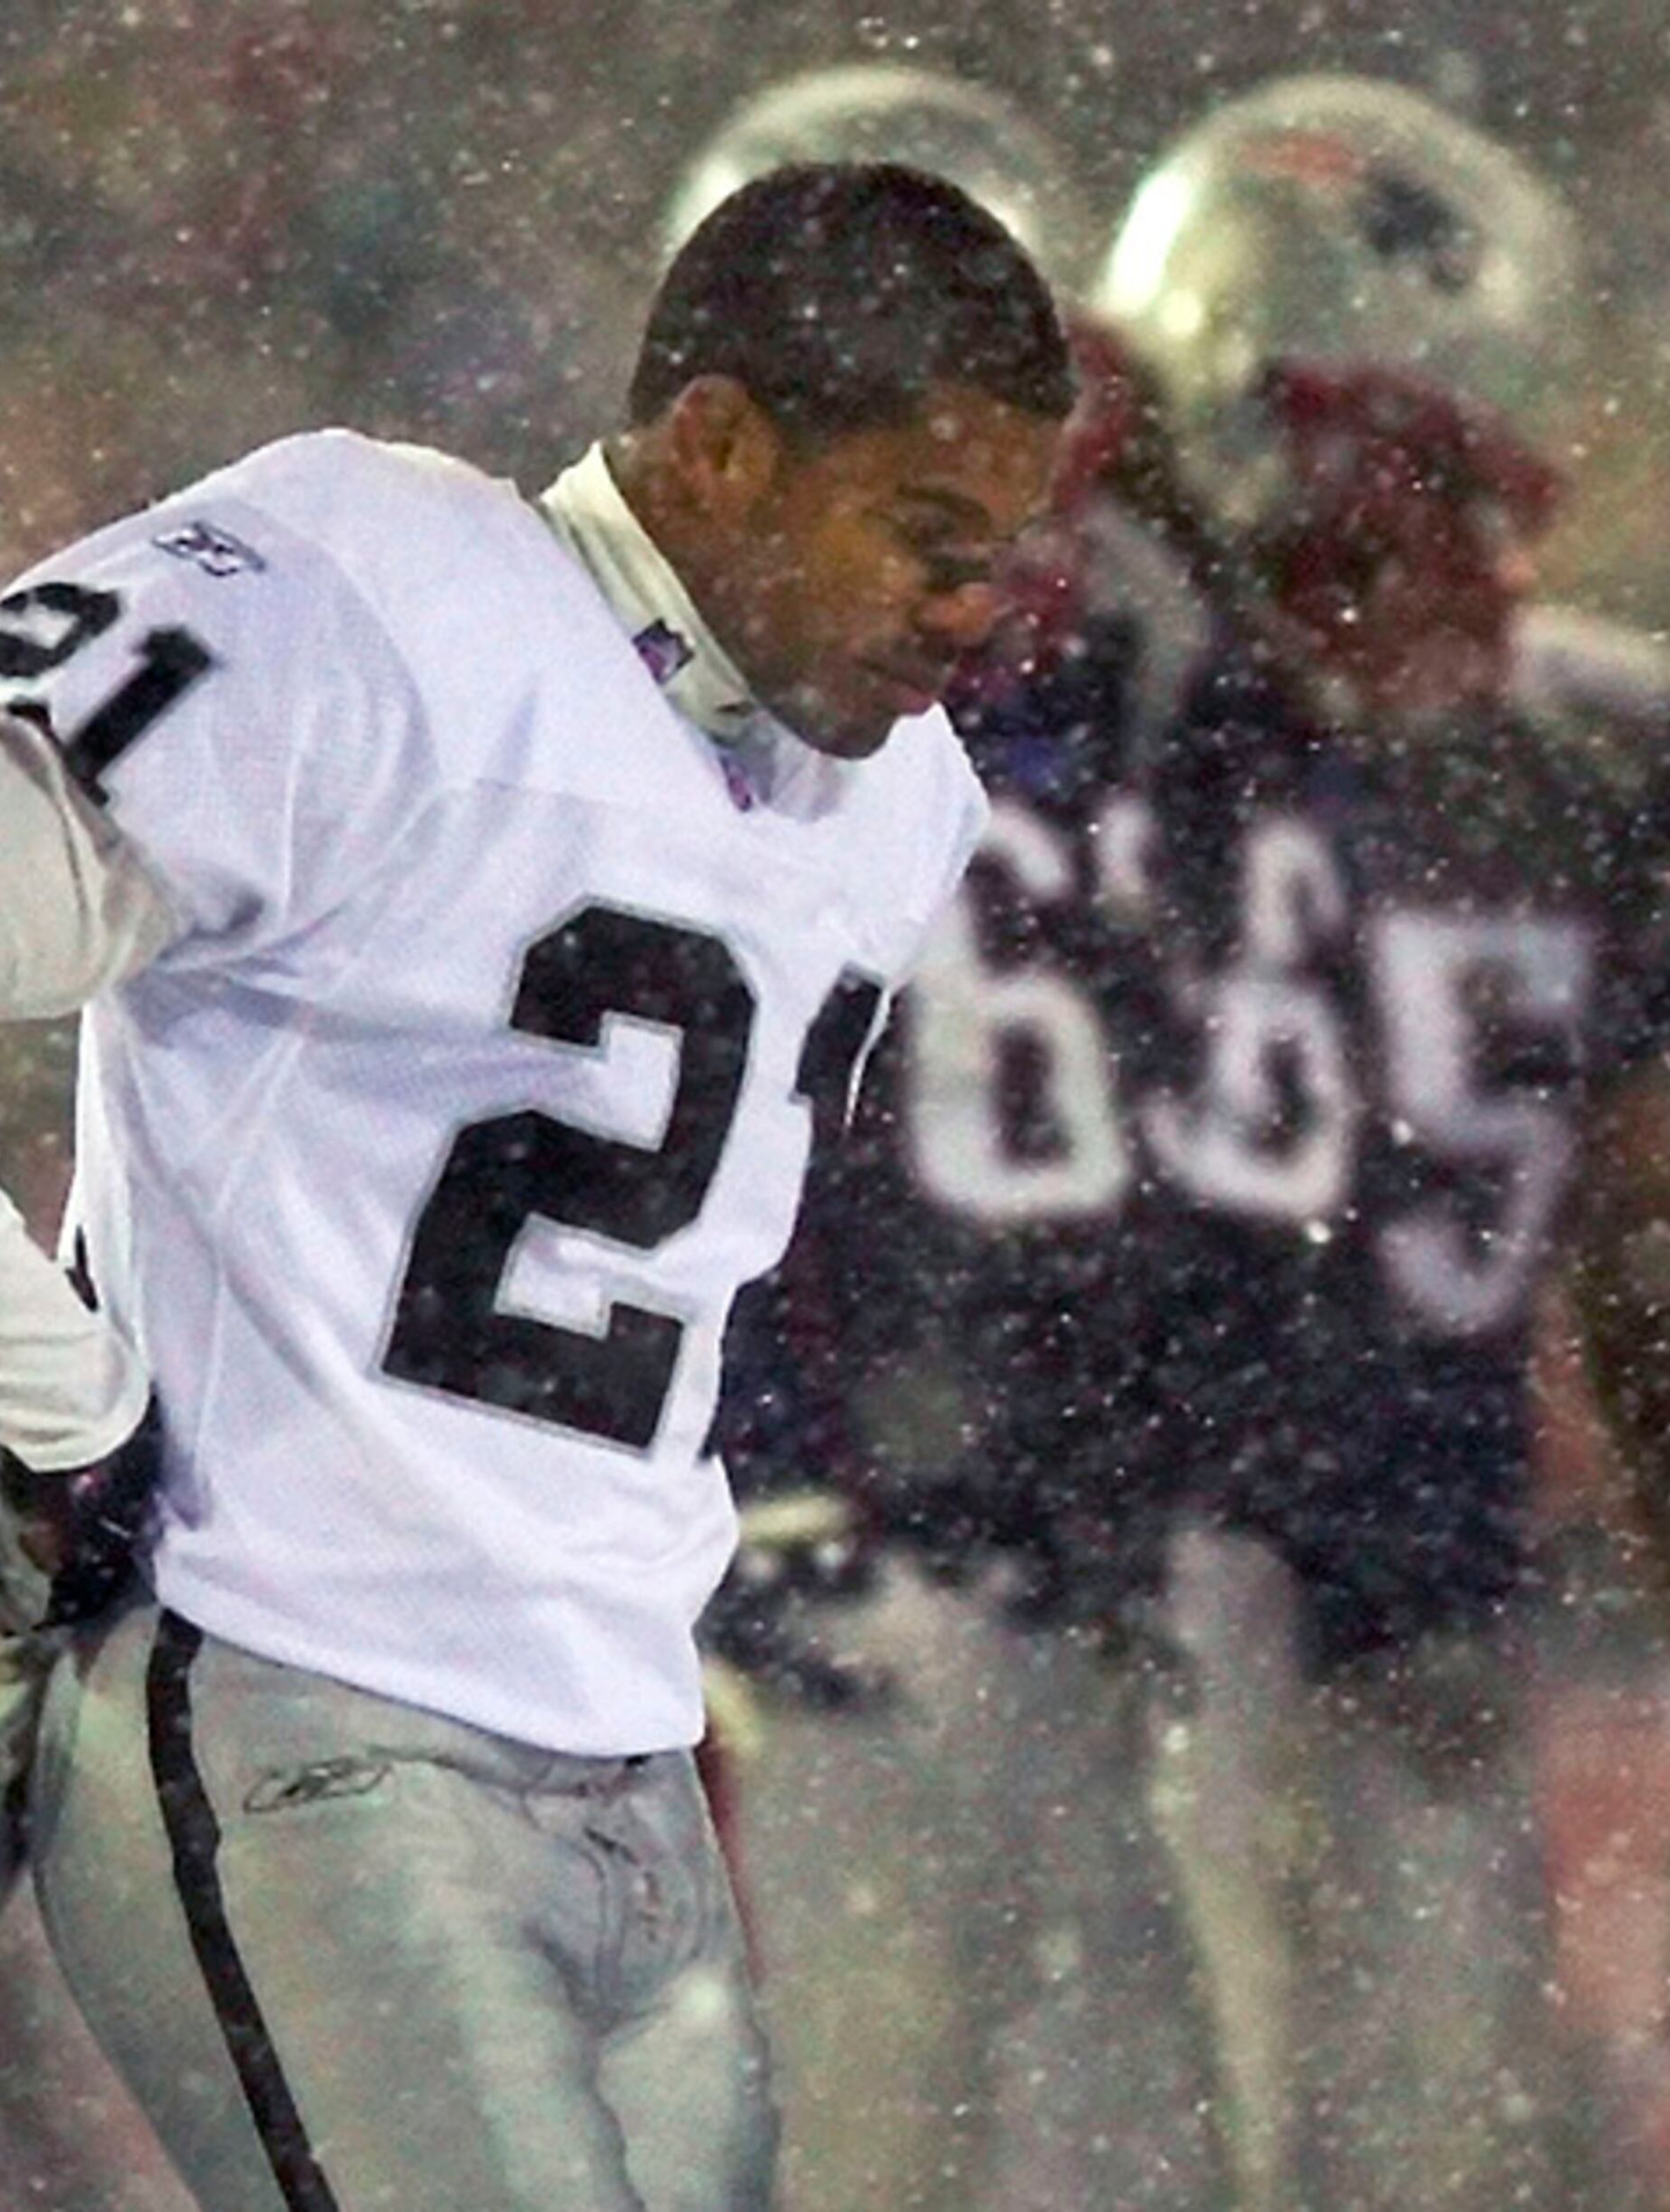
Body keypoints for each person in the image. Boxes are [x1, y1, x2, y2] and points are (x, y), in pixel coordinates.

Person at [0, 160, 1072, 2212]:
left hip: (628, 1742)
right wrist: (60, 1407)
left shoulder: (899, 799)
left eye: (1003, 554)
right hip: (297, 1693)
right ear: (723, 448)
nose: (976, 612)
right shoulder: (380, 590)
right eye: (931, 539)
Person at [1096, 74, 1670, 2211]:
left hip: (1406, 1581)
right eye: (1386, 489)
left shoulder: (1601, 750)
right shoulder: (1054, 724)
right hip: (1115, 1583)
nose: (1443, 558)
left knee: (1440, 2150)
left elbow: (1644, 1257)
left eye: (1453, 493)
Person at [652, 66, 1242, 2212]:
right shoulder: (768, 715)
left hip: (1009, 1525)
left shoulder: (1120, 686)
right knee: (906, 2129)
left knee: (1071, 2128)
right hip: (882, 1524)